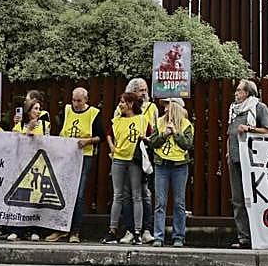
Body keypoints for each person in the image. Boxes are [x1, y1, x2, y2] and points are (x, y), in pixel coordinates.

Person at [46, 87, 104, 244]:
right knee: (61, 192)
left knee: (78, 195)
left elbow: (101, 136)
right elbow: (58, 129)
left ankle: (75, 231)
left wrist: (88, 141)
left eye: (79, 101)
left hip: (84, 157)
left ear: (86, 100)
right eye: (73, 100)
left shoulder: (93, 113)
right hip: (66, 156)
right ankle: (59, 229)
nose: (76, 104)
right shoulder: (66, 111)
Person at [226, 78, 268, 250]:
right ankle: (243, 237)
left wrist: (249, 129)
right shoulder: (234, 110)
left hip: (253, 162)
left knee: (254, 199)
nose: (236, 93)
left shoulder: (259, 107)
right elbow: (230, 132)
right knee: (238, 199)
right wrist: (229, 152)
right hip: (235, 159)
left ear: (248, 93)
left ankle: (258, 237)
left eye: (239, 90)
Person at [103, 92, 149, 244]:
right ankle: (112, 230)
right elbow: (108, 133)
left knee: (137, 195)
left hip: (134, 159)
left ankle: (137, 231)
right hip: (119, 158)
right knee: (118, 195)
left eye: (123, 102)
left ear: (130, 104)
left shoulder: (142, 119)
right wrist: (111, 146)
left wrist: (145, 140)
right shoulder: (117, 120)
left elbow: (151, 135)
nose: (120, 105)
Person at [148, 97, 194, 247]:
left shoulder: (186, 124)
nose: (165, 108)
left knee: (179, 203)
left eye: (168, 105)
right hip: (162, 165)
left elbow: (187, 144)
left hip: (180, 166)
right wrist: (163, 135)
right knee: (160, 202)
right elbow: (153, 142)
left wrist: (175, 133)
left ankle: (178, 236)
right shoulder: (160, 122)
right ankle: (158, 237)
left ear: (176, 107)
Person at [6, 96, 52, 241]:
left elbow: (49, 143)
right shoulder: (19, 125)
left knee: (36, 198)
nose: (38, 112)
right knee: (21, 198)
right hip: (21, 166)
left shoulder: (44, 125)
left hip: (37, 166)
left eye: (39, 109)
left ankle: (35, 230)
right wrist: (28, 131)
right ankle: (16, 229)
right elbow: (14, 143)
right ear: (28, 110)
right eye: (35, 109)